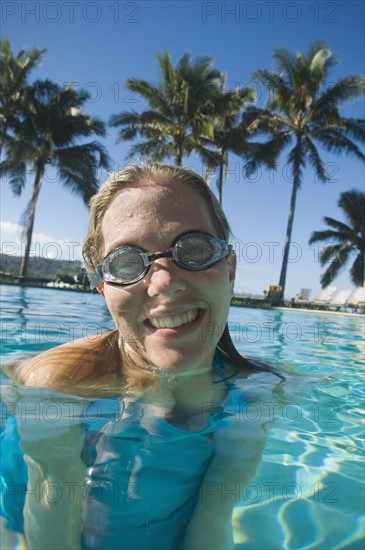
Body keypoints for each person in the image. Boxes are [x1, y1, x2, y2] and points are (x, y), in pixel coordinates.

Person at [1, 163, 281, 549]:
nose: (165, 282)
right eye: (126, 263)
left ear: (229, 270)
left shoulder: (259, 392)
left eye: (195, 249)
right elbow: (51, 512)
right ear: (102, 289)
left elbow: (211, 522)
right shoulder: (59, 384)